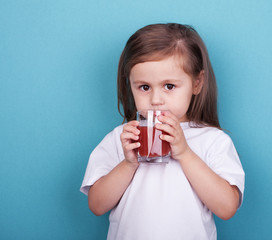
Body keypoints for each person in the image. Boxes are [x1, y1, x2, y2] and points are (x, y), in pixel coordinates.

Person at [80, 23, 245, 240]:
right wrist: (128, 163)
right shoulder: (122, 138)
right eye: (144, 87)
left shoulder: (213, 140)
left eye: (169, 86)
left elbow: (227, 208)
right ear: (130, 85)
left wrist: (185, 154)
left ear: (197, 83)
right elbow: (97, 205)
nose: (156, 100)